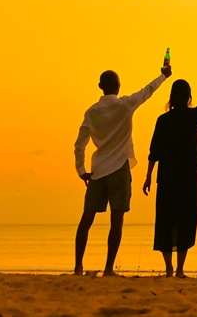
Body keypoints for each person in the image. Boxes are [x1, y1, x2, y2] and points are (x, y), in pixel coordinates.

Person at [73, 58, 171, 276]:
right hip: (119, 168)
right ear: (118, 86)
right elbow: (148, 91)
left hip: (97, 171)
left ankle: (78, 266)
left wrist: (81, 171)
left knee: (87, 218)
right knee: (116, 221)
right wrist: (164, 75)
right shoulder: (125, 104)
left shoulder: (91, 112)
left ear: (101, 86)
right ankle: (109, 268)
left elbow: (80, 144)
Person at [143, 72, 197, 277]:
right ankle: (180, 269)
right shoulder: (193, 117)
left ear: (171, 97)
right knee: (186, 219)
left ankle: (169, 268)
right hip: (187, 177)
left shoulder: (163, 120)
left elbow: (154, 151)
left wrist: (148, 176)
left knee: (166, 219)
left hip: (167, 176)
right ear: (188, 97)